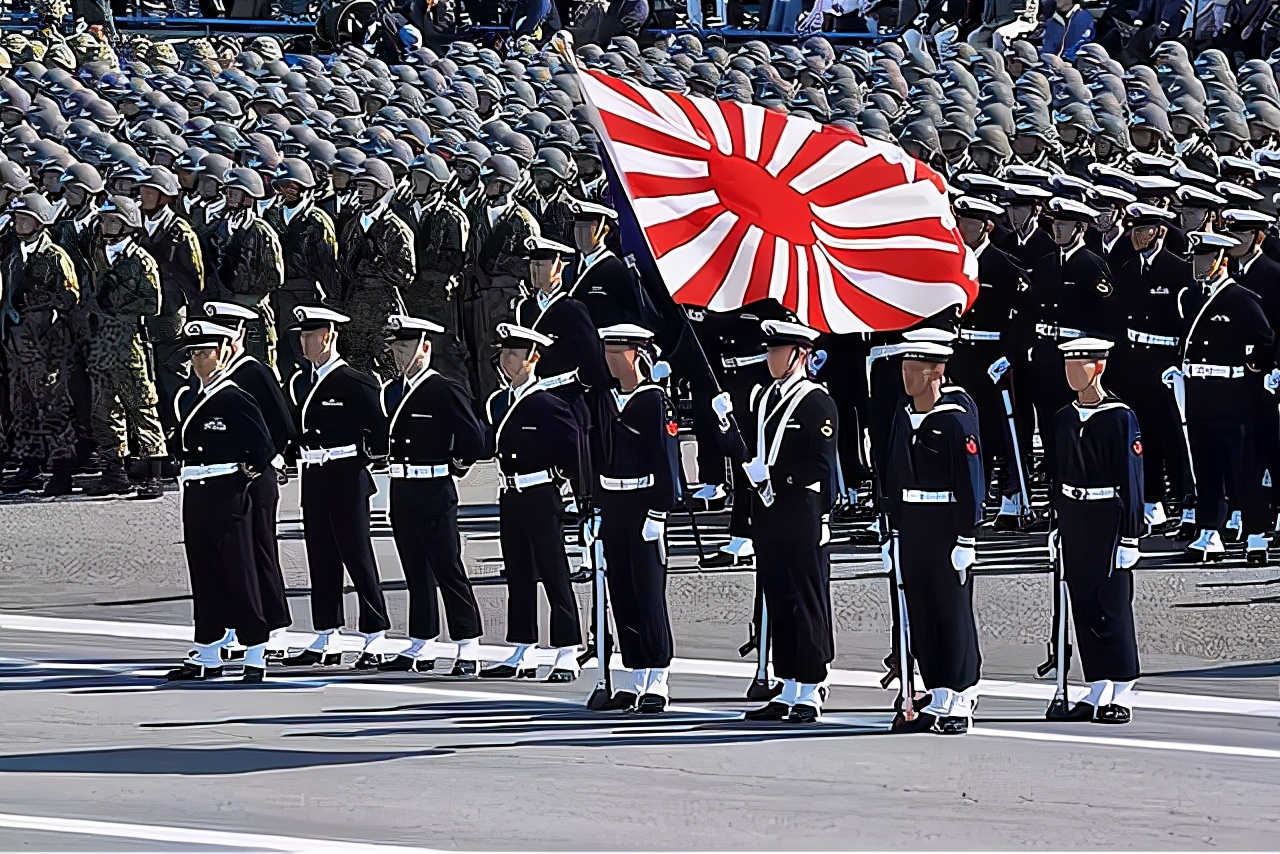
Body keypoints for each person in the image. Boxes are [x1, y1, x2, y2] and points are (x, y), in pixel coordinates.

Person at [729, 319, 839, 724]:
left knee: (806, 598)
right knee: (778, 597)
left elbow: (820, 463)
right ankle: (788, 683)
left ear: (800, 355)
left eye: (779, 351)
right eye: (770, 350)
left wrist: (775, 475)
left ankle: (811, 686)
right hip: (769, 510)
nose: (771, 358)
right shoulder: (766, 398)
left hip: (800, 508)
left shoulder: (815, 401)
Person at [881, 339, 985, 735]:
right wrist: (890, 528)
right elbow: (891, 473)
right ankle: (937, 689)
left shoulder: (956, 419)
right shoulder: (905, 415)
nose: (907, 375)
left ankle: (961, 693)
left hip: (945, 519)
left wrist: (967, 536)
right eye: (905, 366)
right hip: (912, 520)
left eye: (917, 368)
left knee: (951, 609)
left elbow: (970, 481)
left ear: (937, 372)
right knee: (921, 608)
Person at [281, 305, 392, 667]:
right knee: (321, 557)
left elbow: (379, 431)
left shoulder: (355, 381)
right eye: (301, 335)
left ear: (327, 336)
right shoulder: (300, 382)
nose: (304, 342)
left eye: (310, 336)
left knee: (357, 556)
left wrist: (369, 456)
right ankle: (326, 634)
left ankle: (375, 635)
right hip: (314, 477)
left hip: (346, 475)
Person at [183, 300, 297, 652]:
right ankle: (233, 624)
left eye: (231, 331)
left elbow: (281, 424)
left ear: (241, 335)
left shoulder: (252, 371)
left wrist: (264, 463)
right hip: (223, 477)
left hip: (256, 474)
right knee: (233, 556)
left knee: (260, 548)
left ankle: (273, 624)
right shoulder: (209, 376)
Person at [378, 313, 488, 675]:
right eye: (396, 345)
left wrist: (455, 466)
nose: (399, 352)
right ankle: (421, 644)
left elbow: (475, 437)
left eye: (407, 345)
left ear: (425, 347)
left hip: (435, 486)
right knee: (415, 568)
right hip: (402, 486)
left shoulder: (444, 388)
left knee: (447, 565)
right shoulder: (392, 391)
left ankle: (467, 644)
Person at [169, 319, 275, 683]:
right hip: (196, 493)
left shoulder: (235, 397)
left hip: (226, 493)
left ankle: (256, 650)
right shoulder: (191, 397)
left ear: (223, 352)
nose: (198, 359)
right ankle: (209, 651)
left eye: (205, 351)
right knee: (205, 573)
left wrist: (237, 479)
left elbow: (262, 449)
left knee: (239, 572)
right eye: (194, 352)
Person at [479, 323, 583, 683]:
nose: (506, 360)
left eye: (514, 354)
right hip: (510, 494)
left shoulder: (549, 404)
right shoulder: (499, 402)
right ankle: (521, 648)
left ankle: (567, 650)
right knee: (518, 572)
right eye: (504, 353)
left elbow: (575, 455)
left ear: (533, 359)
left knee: (553, 571)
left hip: (541, 493)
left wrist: (576, 499)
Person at [1047, 336, 1143, 723]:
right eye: (1068, 365)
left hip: (1109, 513)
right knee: (1082, 598)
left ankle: (1122, 689)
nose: (1072, 373)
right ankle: (1097, 685)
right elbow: (1056, 474)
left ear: (1098, 367)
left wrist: (1131, 535)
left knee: (1112, 603)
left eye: (1080, 365)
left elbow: (1132, 479)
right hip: (1075, 513)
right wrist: (1056, 525)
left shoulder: (1120, 416)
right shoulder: (1063, 417)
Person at [592, 323, 680, 713]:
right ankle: (632, 674)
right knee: (622, 592)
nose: (611, 360)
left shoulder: (654, 401)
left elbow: (667, 460)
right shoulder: (605, 399)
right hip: (613, 504)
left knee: (647, 592)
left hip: (644, 502)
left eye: (618, 352)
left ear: (638, 356)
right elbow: (593, 456)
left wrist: (659, 511)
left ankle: (656, 675)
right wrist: (593, 510)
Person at [1179, 232, 1275, 563]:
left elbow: (1267, 340)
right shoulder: (1190, 297)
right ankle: (1210, 529)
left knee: (1243, 466)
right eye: (1196, 258)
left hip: (1234, 392)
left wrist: (1257, 366)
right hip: (1199, 390)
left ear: (1223, 260)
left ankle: (1256, 533)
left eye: (1206, 258)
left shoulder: (1242, 298)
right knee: (1205, 464)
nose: (1199, 264)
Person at [1107, 203, 1193, 532]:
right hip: (1134, 361)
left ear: (1159, 232)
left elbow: (1186, 324)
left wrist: (1180, 364)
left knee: (1175, 436)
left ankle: (1188, 502)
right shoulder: (1128, 270)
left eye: (1142, 230)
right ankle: (1152, 498)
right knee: (1145, 435)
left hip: (1166, 362)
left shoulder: (1178, 271)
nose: (1135, 235)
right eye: (1132, 229)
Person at [83, 195, 168, 499]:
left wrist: (114, 306)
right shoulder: (97, 256)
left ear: (128, 224)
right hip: (102, 342)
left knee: (142, 406)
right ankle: (113, 472)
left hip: (128, 341)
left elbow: (152, 303)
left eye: (113, 220)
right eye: (105, 220)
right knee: (103, 410)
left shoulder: (141, 260)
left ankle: (153, 474)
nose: (106, 225)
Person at [0, 193, 80, 495]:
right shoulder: (12, 257)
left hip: (47, 344)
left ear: (40, 221)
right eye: (17, 217)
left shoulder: (56, 256)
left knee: (53, 406)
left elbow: (71, 296)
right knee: (22, 406)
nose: (18, 222)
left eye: (24, 217)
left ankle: (61, 469)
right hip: (18, 343)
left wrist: (38, 303)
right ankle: (29, 464)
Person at [335, 157, 414, 379]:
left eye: (367, 187)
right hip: (355, 307)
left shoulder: (396, 228)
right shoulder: (352, 225)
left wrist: (374, 263)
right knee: (354, 366)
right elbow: (343, 264)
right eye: (359, 187)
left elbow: (405, 274)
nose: (361, 192)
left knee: (388, 367)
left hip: (383, 308)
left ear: (382, 189)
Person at [262, 158, 338, 383]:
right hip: (277, 295)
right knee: (280, 352)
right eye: (282, 185)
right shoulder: (271, 217)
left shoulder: (317, 221)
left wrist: (328, 297)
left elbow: (327, 264)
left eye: (292, 185)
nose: (286, 191)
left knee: (305, 352)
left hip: (306, 295)